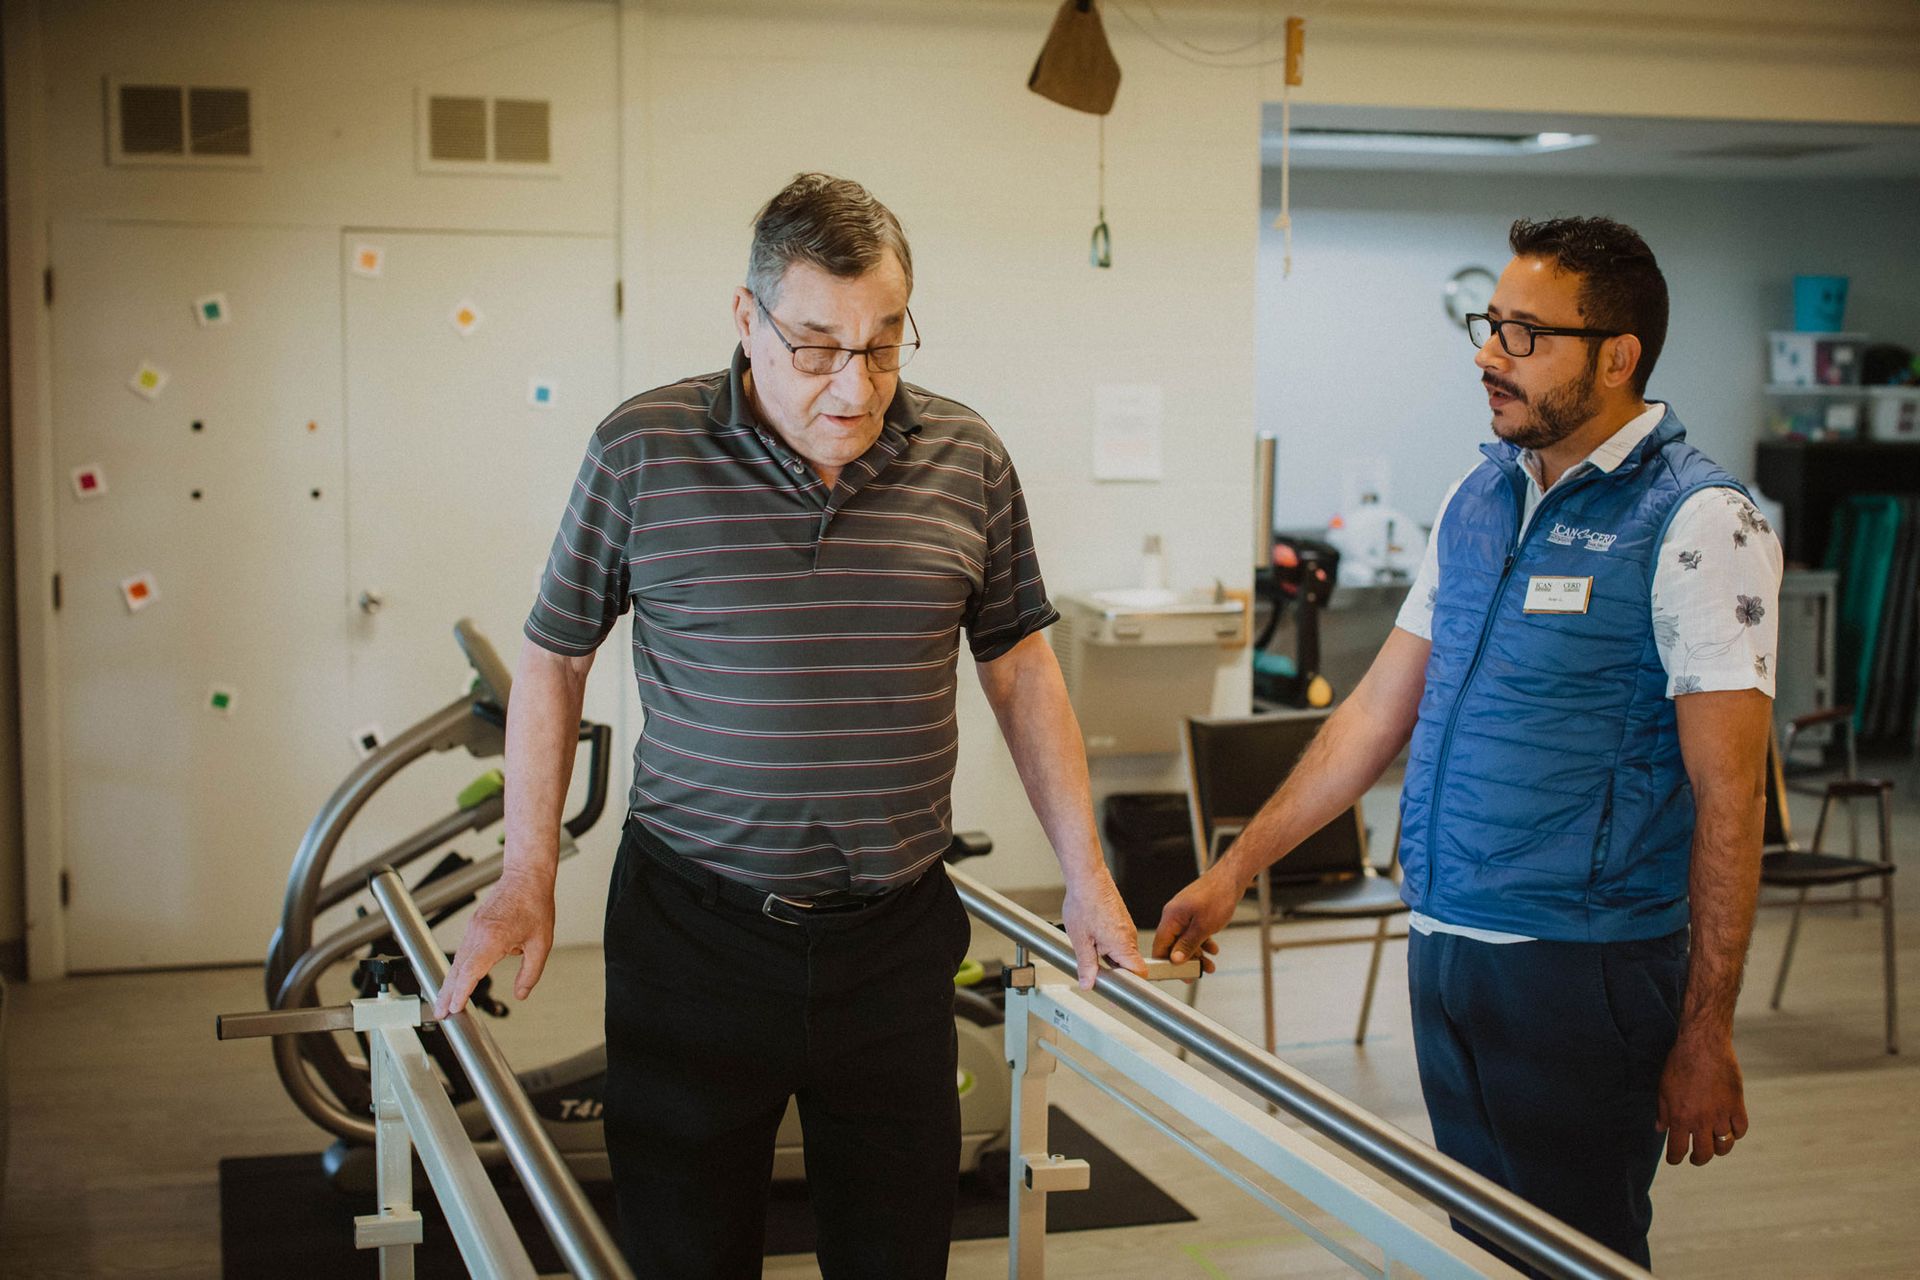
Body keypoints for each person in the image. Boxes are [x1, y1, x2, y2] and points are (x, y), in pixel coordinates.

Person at [433, 172, 1146, 1279]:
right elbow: (555, 654)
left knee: (898, 1250)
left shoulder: (968, 457)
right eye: (815, 346)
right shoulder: (642, 450)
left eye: (884, 344)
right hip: (693, 936)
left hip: (894, 939)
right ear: (745, 320)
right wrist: (529, 868)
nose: (853, 387)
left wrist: (1086, 873)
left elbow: (1017, 664)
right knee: (688, 1248)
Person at [1155, 216, 1780, 1273]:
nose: (1490, 353)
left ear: (1618, 355)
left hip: (1584, 966)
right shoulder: (1480, 494)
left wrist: (1705, 1029)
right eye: (1491, 325)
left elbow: (1732, 801)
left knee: (1579, 1252)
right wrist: (1234, 870)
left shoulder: (1699, 523)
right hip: (1445, 942)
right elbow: (1372, 714)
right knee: (1485, 1246)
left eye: (1526, 333)